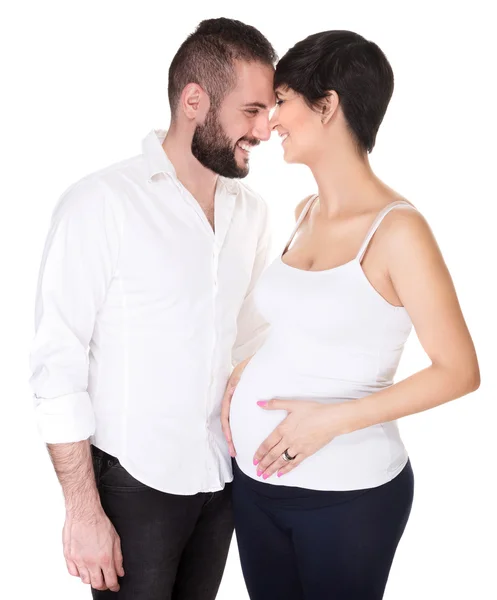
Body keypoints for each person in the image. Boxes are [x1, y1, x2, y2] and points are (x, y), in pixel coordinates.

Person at [221, 30, 480, 600]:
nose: (271, 122)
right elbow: (314, 325)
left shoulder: (398, 231)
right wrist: (250, 366)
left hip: (347, 495)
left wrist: (329, 421)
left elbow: (459, 370)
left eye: (281, 100)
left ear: (328, 104)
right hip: (257, 486)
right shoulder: (304, 210)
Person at [29, 17, 277, 599]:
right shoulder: (101, 203)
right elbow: (56, 364)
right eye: (252, 110)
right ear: (195, 100)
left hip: (220, 483)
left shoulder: (253, 212)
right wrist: (82, 511)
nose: (266, 129)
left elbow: (252, 341)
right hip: (132, 486)